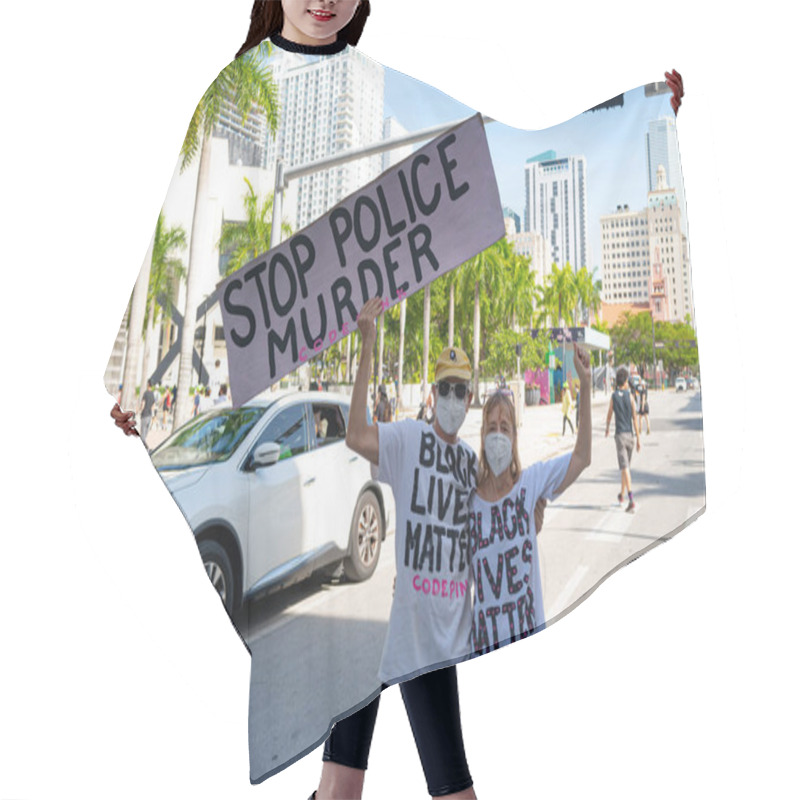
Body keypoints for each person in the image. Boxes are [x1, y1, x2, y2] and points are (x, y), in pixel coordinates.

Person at [312, 297, 478, 800]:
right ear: (434, 393)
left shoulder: (472, 463)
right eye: (446, 388)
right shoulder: (409, 439)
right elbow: (357, 434)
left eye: (461, 390)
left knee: (341, 788)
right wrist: (367, 343)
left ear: (470, 397)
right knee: (349, 786)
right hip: (411, 640)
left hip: (439, 639)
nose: (453, 397)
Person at [469, 343, 592, 653]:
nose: (498, 434)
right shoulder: (467, 499)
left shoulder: (532, 483)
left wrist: (586, 386)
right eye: (492, 427)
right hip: (481, 649)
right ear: (482, 434)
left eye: (505, 427)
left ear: (515, 437)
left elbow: (581, 458)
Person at [606, 366, 641, 513]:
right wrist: (638, 439)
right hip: (630, 437)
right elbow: (635, 418)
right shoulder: (631, 397)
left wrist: (607, 428)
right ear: (625, 381)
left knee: (624, 467)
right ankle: (621, 495)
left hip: (620, 436)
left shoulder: (613, 397)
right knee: (625, 468)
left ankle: (631, 499)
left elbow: (609, 415)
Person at [138, 379, 156, 447]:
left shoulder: (145, 393)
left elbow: (143, 404)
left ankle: (145, 446)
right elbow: (153, 406)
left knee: (142, 433)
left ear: (148, 384)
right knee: (145, 433)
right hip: (149, 415)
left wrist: (139, 410)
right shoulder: (152, 394)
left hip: (144, 414)